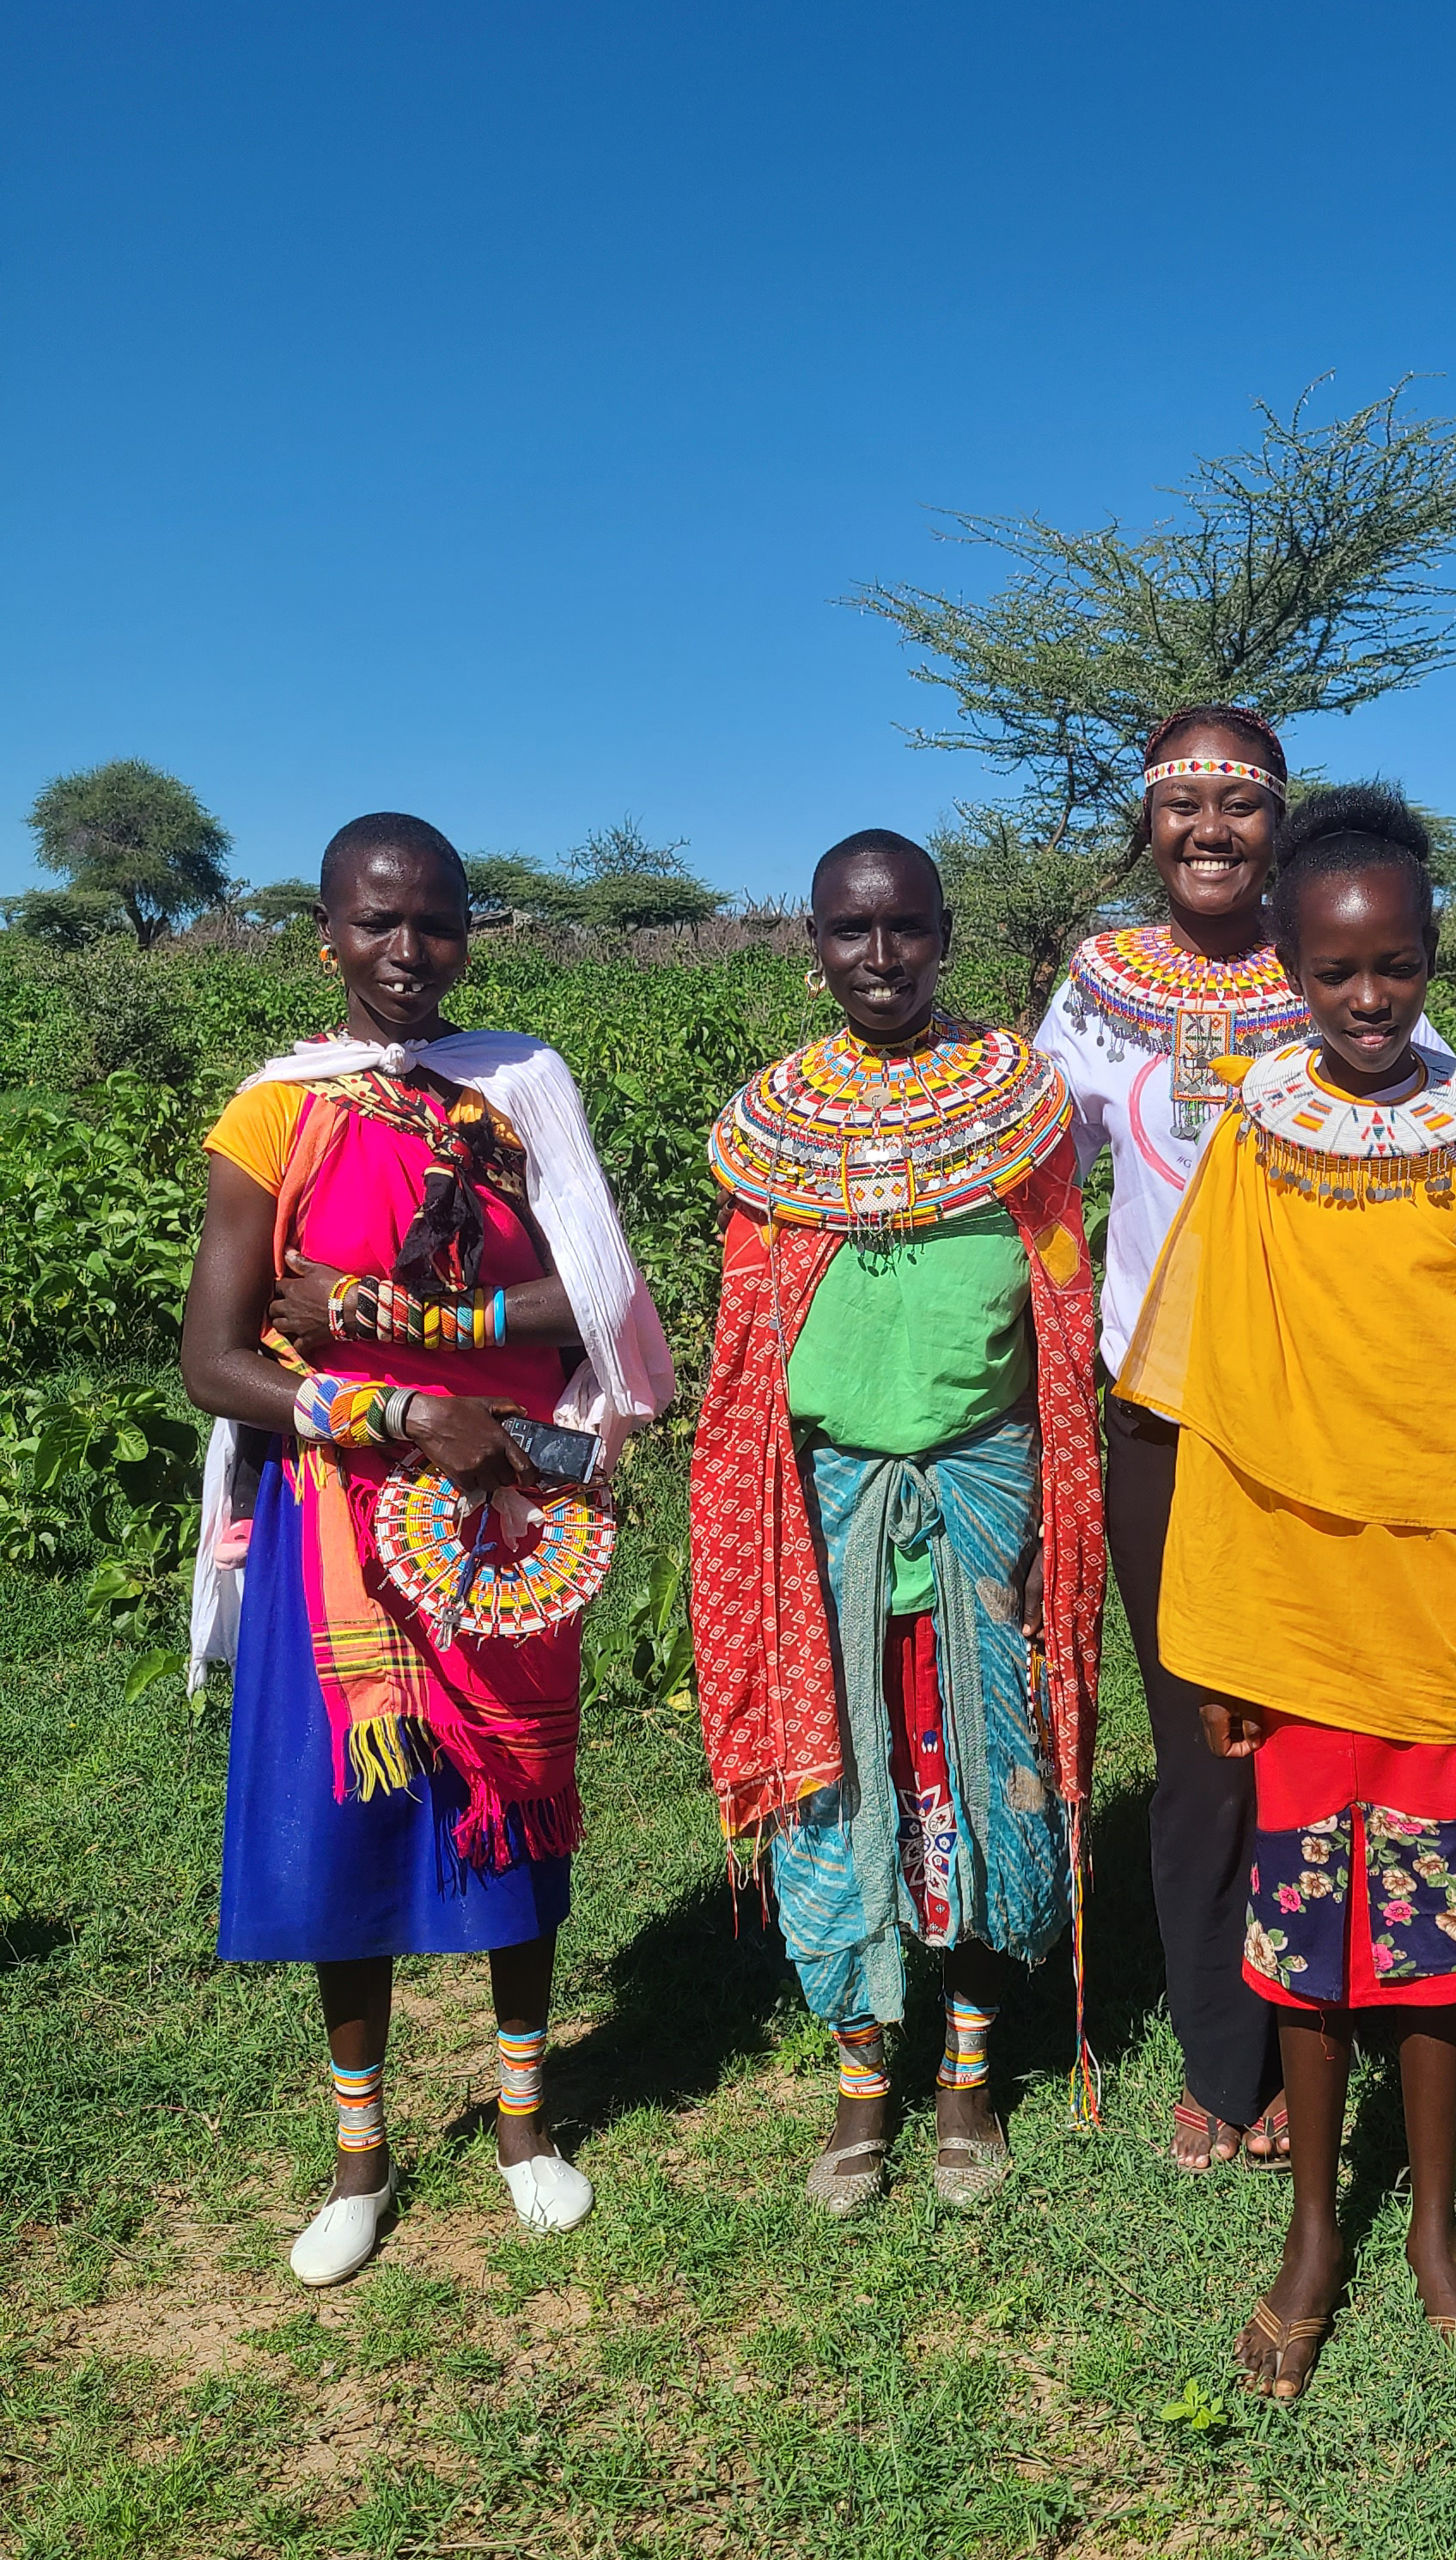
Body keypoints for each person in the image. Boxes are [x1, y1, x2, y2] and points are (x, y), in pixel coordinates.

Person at [180, 812, 675, 2287]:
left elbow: (588, 1303)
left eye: (438, 922)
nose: (409, 952)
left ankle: (525, 2127)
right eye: (377, 922)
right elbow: (219, 1358)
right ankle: (359, 2160)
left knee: (513, 1800)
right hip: (336, 1521)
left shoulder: (517, 1090)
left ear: (473, 930)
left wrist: (408, 1335)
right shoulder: (274, 1112)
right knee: (353, 1824)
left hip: (507, 1509)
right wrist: (397, 1405)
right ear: (323, 932)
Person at [1116, 786, 1456, 2398]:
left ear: (1437, 957)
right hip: (1293, 1596)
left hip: (1437, 1589)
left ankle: (1436, 2240)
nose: (1368, 1001)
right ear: (1289, 971)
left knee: (1432, 1933)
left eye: (1397, 968)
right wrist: (1223, 1625)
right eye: (1333, 972)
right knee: (1306, 1927)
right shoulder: (1259, 1128)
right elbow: (1218, 1388)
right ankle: (1313, 2239)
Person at [690, 832, 1104, 2212]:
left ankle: (969, 2075)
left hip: (988, 1490)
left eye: (906, 930)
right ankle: (863, 2082)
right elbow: (752, 1344)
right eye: (850, 933)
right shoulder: (772, 1132)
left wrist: (1060, 1509)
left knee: (993, 1776)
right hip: (827, 1504)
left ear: (944, 933)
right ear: (812, 942)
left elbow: (1060, 1314)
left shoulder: (1017, 1110)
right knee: (837, 1778)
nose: (880, 959)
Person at [1035, 706, 1308, 2177]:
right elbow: (1031, 1177)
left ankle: (1322, 2006)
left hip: (1316, 1424)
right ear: (1148, 820)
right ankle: (1224, 2049)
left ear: (1280, 820)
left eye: (1242, 803)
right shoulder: (1093, 990)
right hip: (1157, 1421)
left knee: (1308, 1732)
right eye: (1184, 803)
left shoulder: (1334, 959)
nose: (1212, 829)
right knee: (1203, 1744)